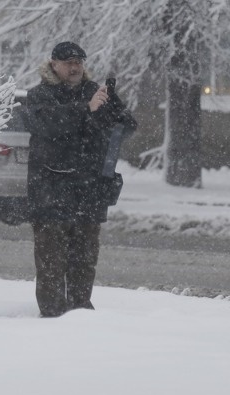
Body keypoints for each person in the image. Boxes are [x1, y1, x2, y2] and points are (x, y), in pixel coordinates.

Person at [24, 41, 137, 317]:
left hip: (90, 192)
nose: (75, 67)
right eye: (68, 62)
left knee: (84, 260)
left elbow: (128, 126)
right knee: (52, 261)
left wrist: (111, 112)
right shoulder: (39, 95)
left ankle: (81, 314)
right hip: (51, 192)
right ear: (54, 64)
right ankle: (51, 316)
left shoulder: (95, 91)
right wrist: (86, 109)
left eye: (79, 62)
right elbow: (48, 124)